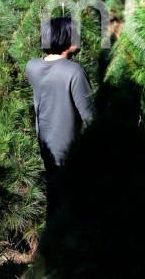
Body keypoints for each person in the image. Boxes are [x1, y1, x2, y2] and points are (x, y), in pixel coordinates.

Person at [26, 17, 94, 217]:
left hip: (46, 144)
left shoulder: (32, 66)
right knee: (75, 205)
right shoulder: (74, 71)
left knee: (55, 201)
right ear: (64, 37)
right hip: (71, 148)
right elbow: (90, 116)